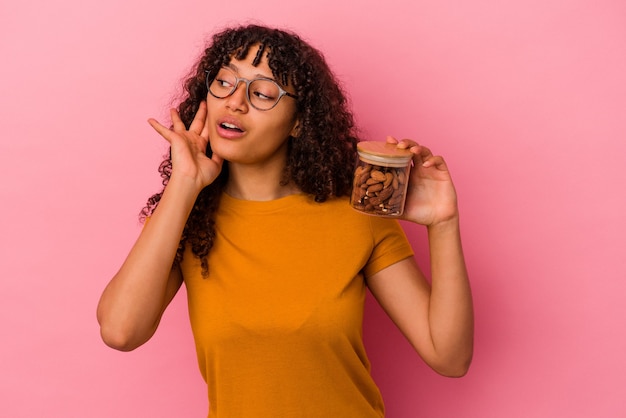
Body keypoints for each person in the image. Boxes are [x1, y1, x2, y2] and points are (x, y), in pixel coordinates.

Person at [97, 23, 474, 417]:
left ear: (299, 122)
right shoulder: (189, 220)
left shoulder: (358, 215)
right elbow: (120, 331)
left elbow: (449, 357)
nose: (236, 102)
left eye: (261, 93)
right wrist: (185, 183)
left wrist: (443, 223)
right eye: (224, 82)